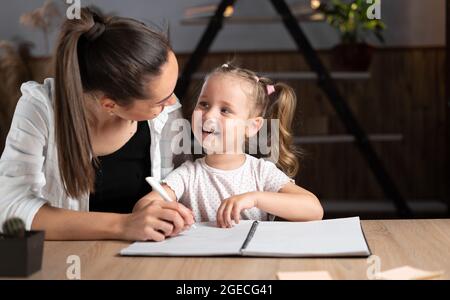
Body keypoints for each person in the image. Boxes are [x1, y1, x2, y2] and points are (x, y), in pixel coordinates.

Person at [0, 8, 195, 241]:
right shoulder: (40, 109)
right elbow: (9, 211)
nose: (172, 101)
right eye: (160, 101)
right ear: (110, 105)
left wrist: (165, 201)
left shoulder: (168, 112)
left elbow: (184, 179)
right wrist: (123, 225)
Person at [134, 63, 323, 228]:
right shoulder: (188, 175)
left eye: (225, 110)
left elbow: (313, 210)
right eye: (204, 104)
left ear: (251, 126)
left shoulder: (261, 173)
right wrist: (166, 212)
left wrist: (255, 198)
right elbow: (143, 207)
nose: (208, 116)